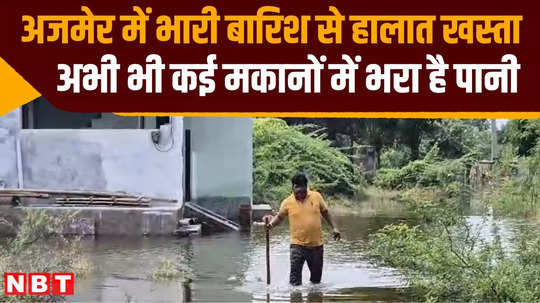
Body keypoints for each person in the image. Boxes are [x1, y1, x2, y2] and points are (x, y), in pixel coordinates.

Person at [264, 173, 341, 286]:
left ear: (306, 187)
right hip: (297, 246)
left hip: (316, 247)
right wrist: (270, 225)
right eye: (297, 191)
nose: (300, 194)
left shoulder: (316, 196)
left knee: (316, 282)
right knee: (294, 283)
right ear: (293, 188)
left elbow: (326, 213)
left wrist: (335, 227)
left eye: (302, 191)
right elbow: (280, 217)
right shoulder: (287, 202)